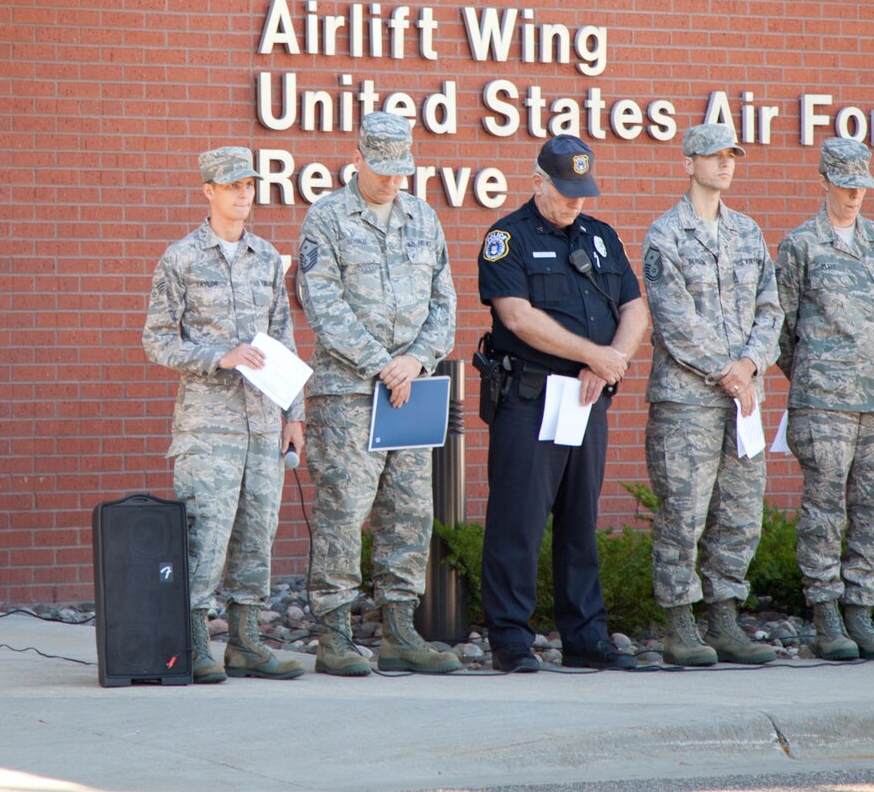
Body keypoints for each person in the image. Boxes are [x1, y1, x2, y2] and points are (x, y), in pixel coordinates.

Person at [474, 135, 651, 673]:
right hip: (530, 396)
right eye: (565, 190)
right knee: (518, 522)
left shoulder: (600, 238)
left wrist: (611, 361)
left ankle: (585, 635)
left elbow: (635, 308)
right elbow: (517, 317)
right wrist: (593, 355)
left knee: (580, 521)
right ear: (537, 182)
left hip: (587, 399)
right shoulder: (509, 237)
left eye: (583, 191)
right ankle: (510, 638)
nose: (576, 201)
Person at [297, 112, 459, 676]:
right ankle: (335, 632)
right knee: (343, 510)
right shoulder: (327, 219)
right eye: (383, 170)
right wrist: (382, 364)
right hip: (349, 393)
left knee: (410, 510)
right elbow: (323, 305)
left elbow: (445, 302)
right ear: (358, 156)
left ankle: (398, 629)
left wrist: (415, 360)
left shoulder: (423, 218)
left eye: (402, 171)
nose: (394, 181)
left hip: (410, 389)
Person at [142, 146, 305, 682]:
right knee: (204, 536)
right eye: (232, 185)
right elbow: (158, 341)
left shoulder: (266, 257)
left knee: (258, 532)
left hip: (262, 423)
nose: (243, 194)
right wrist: (219, 357)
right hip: (207, 428)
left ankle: (246, 642)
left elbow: (283, 339)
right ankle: (192, 642)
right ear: (208, 191)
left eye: (249, 185)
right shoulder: (181, 258)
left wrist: (294, 415)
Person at [640, 122, 782, 666]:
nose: (725, 164)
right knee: (684, 512)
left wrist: (749, 364)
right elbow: (674, 320)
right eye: (713, 156)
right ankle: (680, 625)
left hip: (742, 399)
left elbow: (771, 308)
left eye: (731, 156)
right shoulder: (665, 235)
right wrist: (728, 370)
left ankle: (725, 619)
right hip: (688, 402)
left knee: (741, 512)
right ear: (688, 163)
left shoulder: (747, 232)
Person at [772, 138, 874, 661]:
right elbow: (782, 328)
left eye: (862, 186)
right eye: (845, 185)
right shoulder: (800, 244)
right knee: (825, 507)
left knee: (873, 506)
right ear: (824, 181)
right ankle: (826, 613)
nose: (854, 195)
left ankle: (861, 610)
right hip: (824, 399)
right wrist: (813, 372)